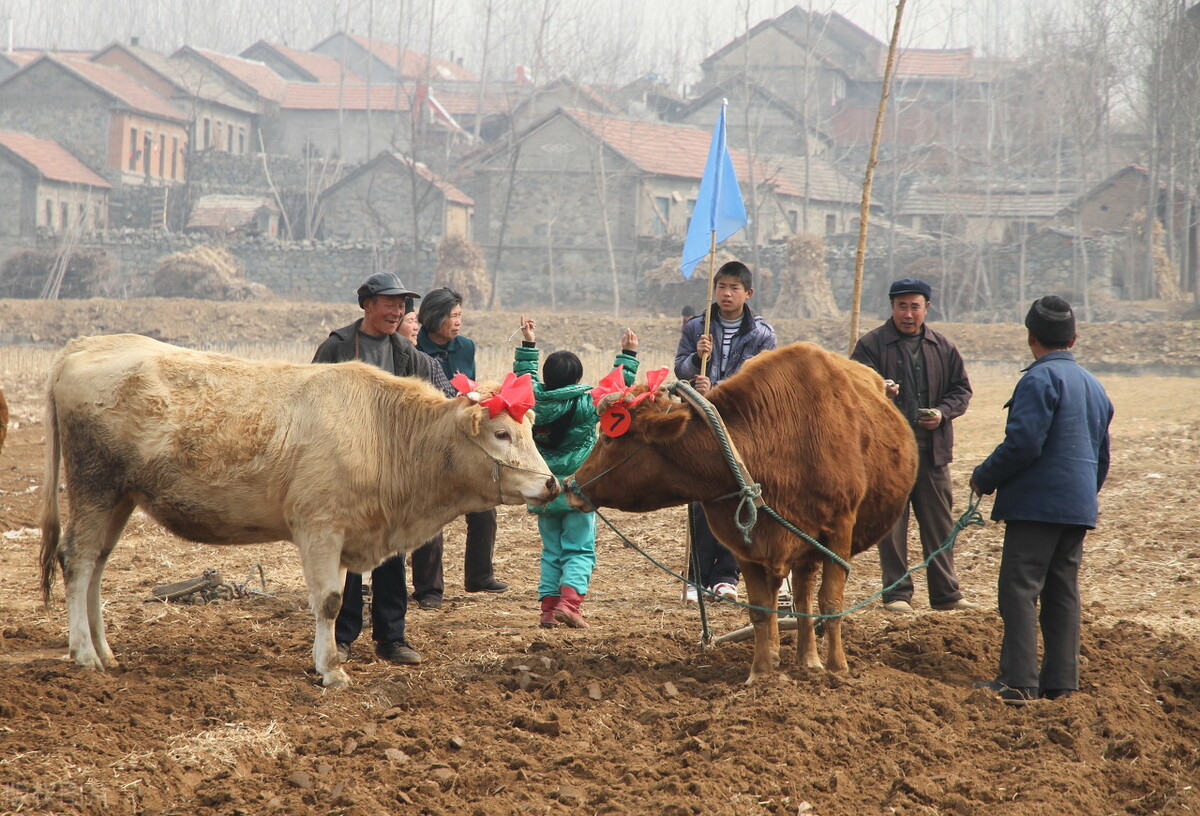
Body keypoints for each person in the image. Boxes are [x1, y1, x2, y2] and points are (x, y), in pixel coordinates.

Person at [971, 296, 1113, 705]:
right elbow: (1102, 456)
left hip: (1036, 506)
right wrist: (1083, 495)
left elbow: (1023, 444)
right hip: (1077, 506)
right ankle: (1061, 683)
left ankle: (1017, 680)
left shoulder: (1038, 380)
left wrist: (984, 477)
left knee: (1018, 589)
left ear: (1031, 338)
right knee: (1061, 591)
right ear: (1074, 338)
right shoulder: (1095, 385)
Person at [312, 272, 436, 666]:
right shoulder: (337, 348)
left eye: (402, 305)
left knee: (391, 554)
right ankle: (344, 636)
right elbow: (308, 398)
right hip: (344, 469)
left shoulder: (407, 354)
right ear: (367, 304)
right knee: (347, 553)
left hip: (391, 472)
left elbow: (429, 398)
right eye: (389, 303)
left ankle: (391, 637)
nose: (397, 311)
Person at [851, 278, 976, 613]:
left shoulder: (943, 347)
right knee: (891, 526)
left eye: (914, 306)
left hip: (932, 451)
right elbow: (852, 391)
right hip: (887, 454)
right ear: (892, 307)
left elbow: (961, 391)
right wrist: (881, 391)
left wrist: (942, 413)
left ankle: (947, 593)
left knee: (939, 524)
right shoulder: (871, 346)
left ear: (927, 308)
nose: (908, 313)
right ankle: (896, 593)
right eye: (901, 306)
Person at [514, 316, 639, 628]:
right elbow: (618, 390)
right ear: (578, 376)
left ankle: (547, 612)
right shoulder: (586, 403)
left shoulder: (532, 402)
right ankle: (570, 605)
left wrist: (528, 344)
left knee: (551, 551)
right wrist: (628, 354)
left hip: (544, 491)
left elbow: (523, 376)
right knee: (579, 549)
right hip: (577, 491)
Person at [674, 260, 777, 602]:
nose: (726, 294)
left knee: (740, 499)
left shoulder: (762, 334)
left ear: (748, 293)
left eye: (734, 288)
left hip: (742, 427)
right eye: (721, 287)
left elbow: (765, 384)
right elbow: (679, 370)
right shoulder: (697, 328)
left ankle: (726, 576)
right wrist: (695, 361)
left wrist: (715, 389)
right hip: (701, 427)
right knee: (703, 499)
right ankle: (696, 577)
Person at [412, 287, 508, 597]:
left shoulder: (466, 347)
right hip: (428, 440)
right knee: (430, 515)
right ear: (434, 318)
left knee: (484, 504)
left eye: (460, 315)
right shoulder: (413, 349)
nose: (458, 322)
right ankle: (429, 590)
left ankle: (480, 575)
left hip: (465, 436)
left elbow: (472, 385)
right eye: (453, 316)